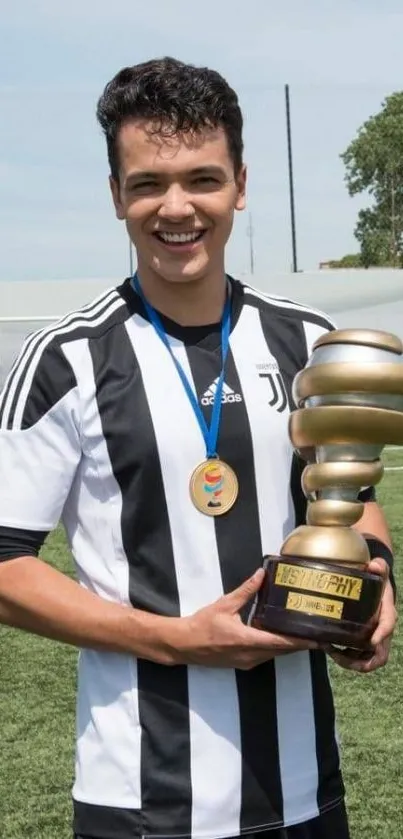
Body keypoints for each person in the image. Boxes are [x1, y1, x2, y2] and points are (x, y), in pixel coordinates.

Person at [0, 57, 397, 839]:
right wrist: (175, 639)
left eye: (202, 179)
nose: (175, 207)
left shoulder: (308, 342)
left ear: (240, 185)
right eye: (148, 182)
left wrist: (378, 584)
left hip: (305, 791)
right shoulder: (64, 360)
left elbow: (351, 499)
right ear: (117, 194)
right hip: (141, 797)